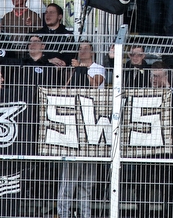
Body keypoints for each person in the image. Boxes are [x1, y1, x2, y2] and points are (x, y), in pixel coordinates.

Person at [58, 41, 104, 218]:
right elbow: (64, 90)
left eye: (86, 48)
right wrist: (75, 71)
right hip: (73, 128)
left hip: (92, 127)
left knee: (87, 183)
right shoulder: (74, 68)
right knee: (68, 181)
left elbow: (95, 85)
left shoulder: (98, 68)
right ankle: (64, 214)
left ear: (92, 51)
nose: (83, 51)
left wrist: (82, 70)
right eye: (80, 48)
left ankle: (85, 214)